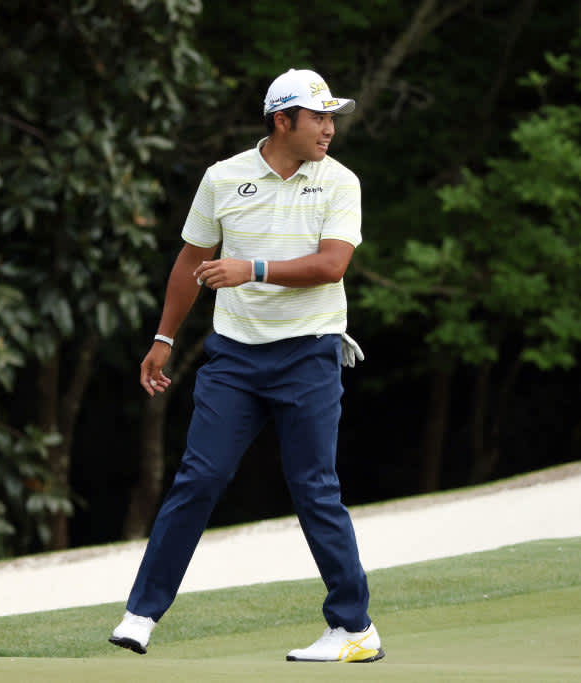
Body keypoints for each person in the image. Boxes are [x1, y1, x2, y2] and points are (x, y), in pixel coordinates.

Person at [109, 68, 383, 664]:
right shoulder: (223, 178)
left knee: (314, 487)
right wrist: (163, 337)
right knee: (199, 478)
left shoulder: (340, 182)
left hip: (309, 350)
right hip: (233, 356)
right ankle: (141, 614)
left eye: (332, 118)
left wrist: (251, 269)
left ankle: (354, 627)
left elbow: (332, 264)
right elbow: (190, 261)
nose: (329, 129)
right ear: (282, 120)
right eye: (318, 118)